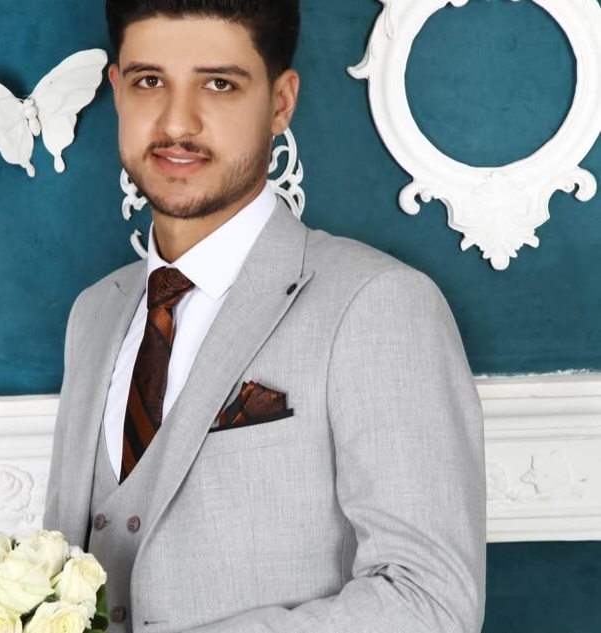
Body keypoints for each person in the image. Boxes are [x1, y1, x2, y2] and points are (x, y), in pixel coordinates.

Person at [44, 1, 487, 631]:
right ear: (117, 91)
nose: (176, 121)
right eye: (149, 81)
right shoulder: (93, 315)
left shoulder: (379, 302)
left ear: (280, 103)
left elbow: (430, 601)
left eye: (218, 84)